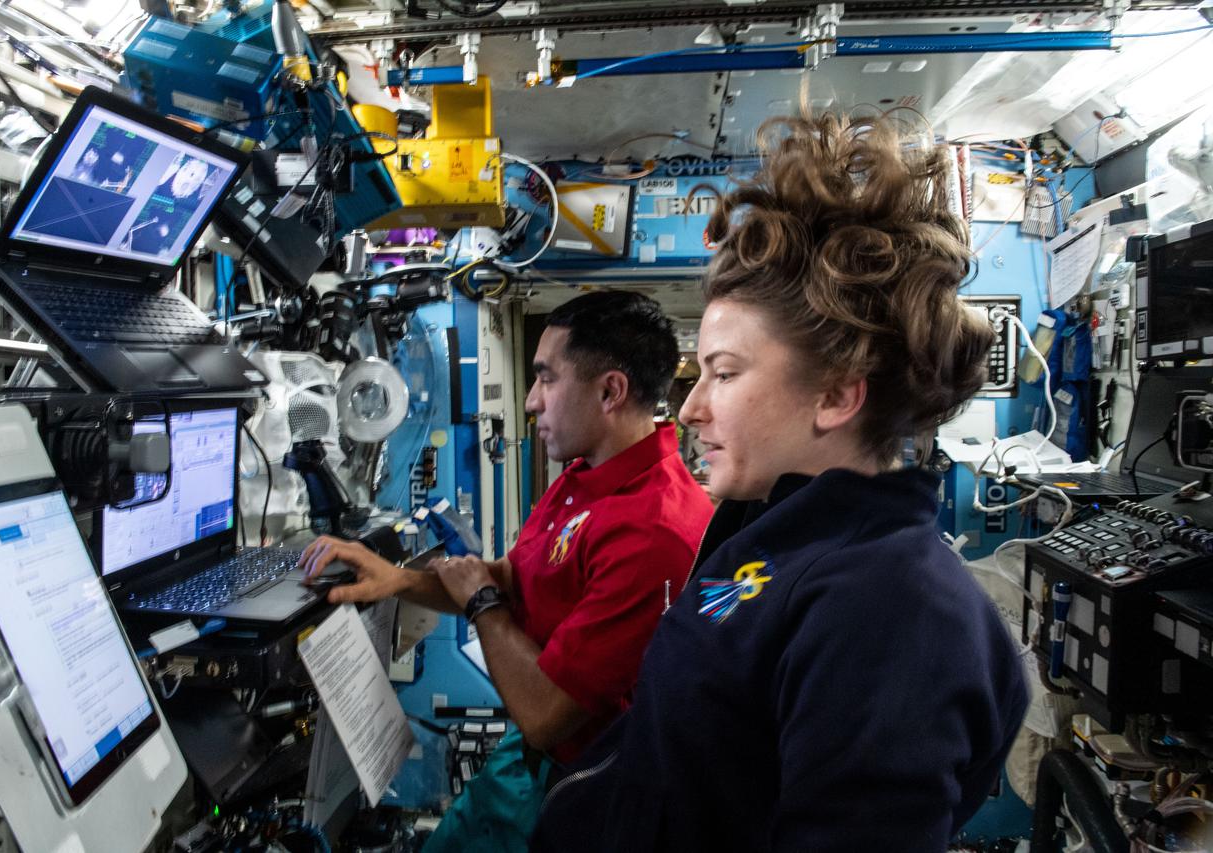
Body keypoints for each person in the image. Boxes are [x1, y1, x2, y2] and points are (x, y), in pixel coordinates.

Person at [531, 110, 1030, 852]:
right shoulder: (780, 537)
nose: (690, 408)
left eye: (725, 373)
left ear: (835, 394)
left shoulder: (892, 612)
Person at [299, 290, 713, 852]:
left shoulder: (653, 532)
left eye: (546, 378)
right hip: (522, 762)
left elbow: (544, 713)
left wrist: (482, 605)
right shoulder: (584, 476)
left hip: (576, 790)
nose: (530, 401)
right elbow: (512, 579)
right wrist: (398, 580)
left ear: (609, 391)